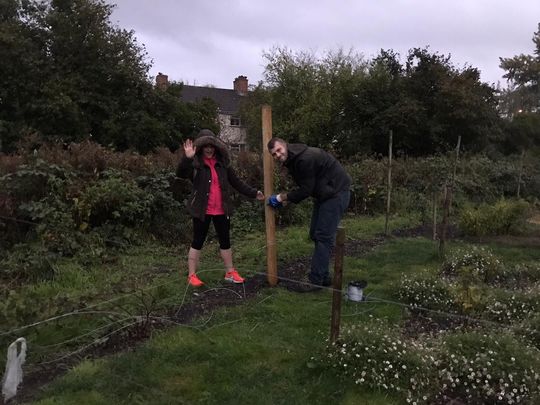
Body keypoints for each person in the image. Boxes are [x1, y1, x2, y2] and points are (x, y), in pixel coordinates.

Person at [177, 129, 265, 287]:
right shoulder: (195, 164)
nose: (209, 149)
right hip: (201, 210)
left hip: (222, 209)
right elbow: (181, 174)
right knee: (197, 241)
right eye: (205, 146)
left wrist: (254, 193)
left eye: (212, 146)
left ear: (216, 147)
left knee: (225, 241)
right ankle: (191, 275)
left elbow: (236, 182)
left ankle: (230, 272)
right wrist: (187, 158)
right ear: (201, 148)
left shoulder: (223, 165)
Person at [267, 137, 351, 292]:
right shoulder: (293, 159)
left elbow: (306, 190)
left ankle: (315, 280)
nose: (277, 155)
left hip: (337, 193)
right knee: (315, 234)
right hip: (324, 194)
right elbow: (307, 186)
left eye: (278, 150)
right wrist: (287, 198)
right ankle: (324, 277)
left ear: (285, 145)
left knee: (323, 236)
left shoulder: (304, 158)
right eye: (274, 154)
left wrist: (281, 197)